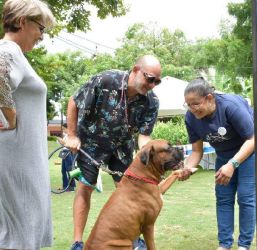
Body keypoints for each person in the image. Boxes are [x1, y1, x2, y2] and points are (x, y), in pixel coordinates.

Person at [63, 55, 162, 250]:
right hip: (91, 143)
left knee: (127, 192)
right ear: (135, 70)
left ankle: (133, 238)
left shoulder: (152, 102)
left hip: (122, 147)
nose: (152, 85)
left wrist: (146, 152)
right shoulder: (106, 80)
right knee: (85, 187)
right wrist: (72, 135)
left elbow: (144, 136)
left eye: (157, 82)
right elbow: (74, 101)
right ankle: (77, 242)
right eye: (150, 78)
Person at [179, 78, 257, 250]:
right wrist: (187, 167)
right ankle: (224, 245)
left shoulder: (230, 106)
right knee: (223, 196)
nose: (192, 109)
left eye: (195, 104)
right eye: (188, 104)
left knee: (246, 195)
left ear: (209, 98)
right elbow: (196, 151)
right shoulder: (191, 118)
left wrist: (232, 164)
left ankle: (244, 245)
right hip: (226, 152)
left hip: (256, 144)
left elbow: (253, 138)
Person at [0, 0, 55, 249]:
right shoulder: (8, 50)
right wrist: (11, 117)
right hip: (15, 160)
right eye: (41, 28)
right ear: (23, 21)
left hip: (23, 159)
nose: (42, 36)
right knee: (17, 234)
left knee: (23, 230)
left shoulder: (16, 55)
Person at [59, 124, 76, 192]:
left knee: (69, 170)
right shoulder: (66, 135)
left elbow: (70, 145)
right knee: (63, 170)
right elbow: (63, 145)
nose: (63, 130)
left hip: (68, 153)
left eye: (64, 129)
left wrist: (63, 142)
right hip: (64, 153)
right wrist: (61, 141)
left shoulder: (71, 136)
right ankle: (65, 186)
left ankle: (71, 186)